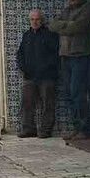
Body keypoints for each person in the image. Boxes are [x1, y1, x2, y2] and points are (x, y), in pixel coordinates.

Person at [48, 0, 90, 141]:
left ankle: (85, 129)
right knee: (69, 93)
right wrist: (67, 25)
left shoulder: (88, 9)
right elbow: (52, 25)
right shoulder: (67, 10)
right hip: (66, 56)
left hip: (80, 55)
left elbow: (77, 27)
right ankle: (77, 127)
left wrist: (67, 26)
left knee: (78, 92)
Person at [16, 9, 59, 138]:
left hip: (46, 76)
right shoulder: (27, 35)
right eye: (32, 19)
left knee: (48, 103)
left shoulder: (50, 35)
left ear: (42, 20)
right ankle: (28, 128)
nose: (35, 22)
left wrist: (45, 68)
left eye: (37, 19)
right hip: (30, 75)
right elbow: (20, 53)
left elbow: (55, 55)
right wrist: (23, 67)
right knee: (27, 102)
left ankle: (45, 129)